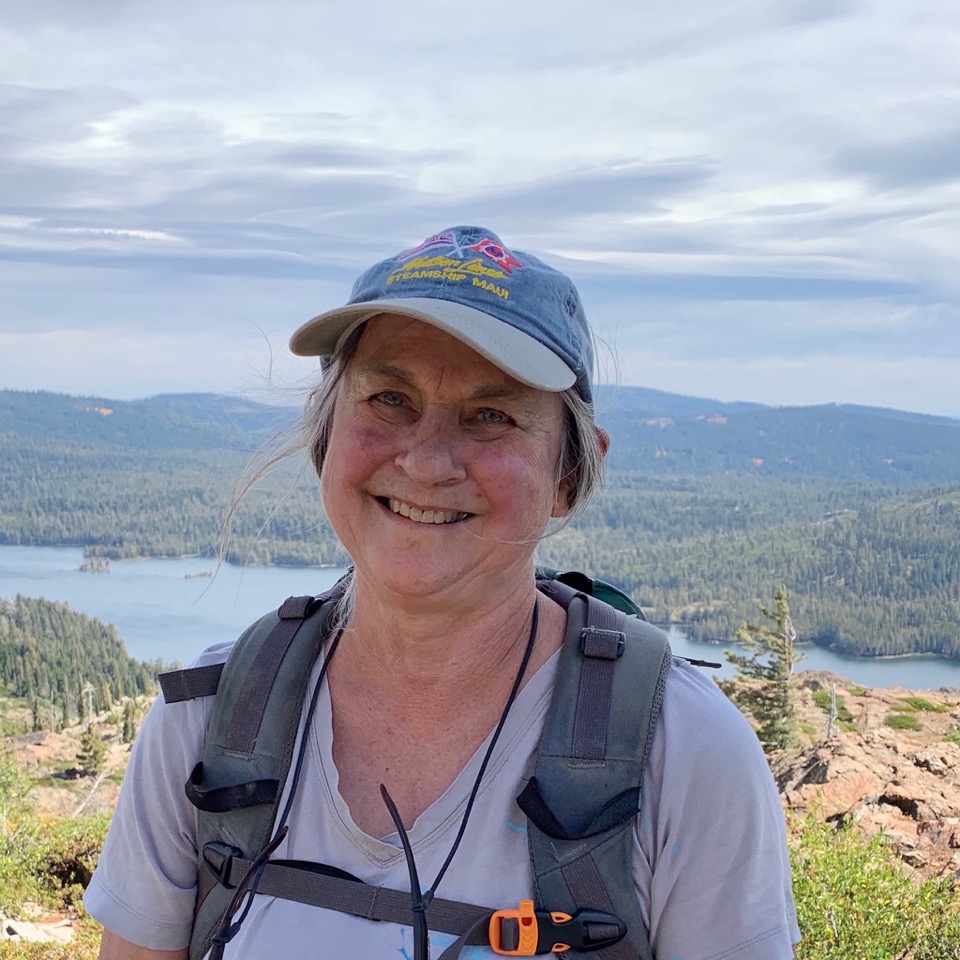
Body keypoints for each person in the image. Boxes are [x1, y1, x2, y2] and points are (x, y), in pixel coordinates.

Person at [86, 225, 801, 960]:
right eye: (390, 398)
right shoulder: (207, 726)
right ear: (328, 434)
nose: (426, 460)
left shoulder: (683, 754)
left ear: (568, 475)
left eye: (491, 415)